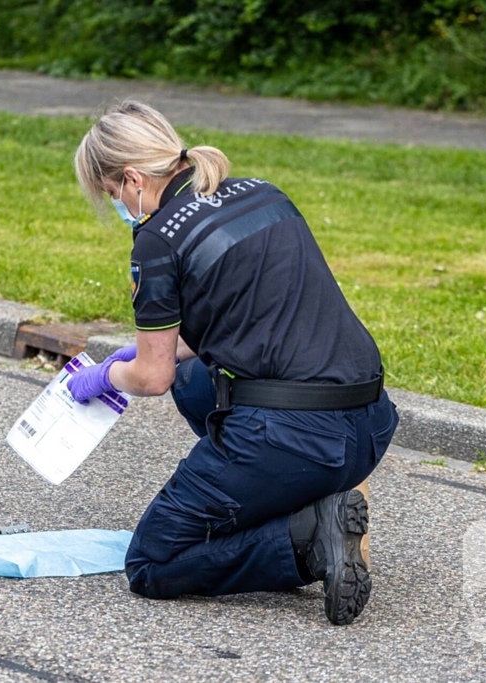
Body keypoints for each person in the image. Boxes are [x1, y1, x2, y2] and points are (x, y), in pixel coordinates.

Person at [67, 101, 398, 625]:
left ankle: (309, 537)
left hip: (292, 436)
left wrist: (103, 376)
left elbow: (151, 377)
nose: (119, 206)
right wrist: (151, 348)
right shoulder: (262, 192)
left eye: (112, 194)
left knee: (152, 562)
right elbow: (246, 316)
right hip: (370, 423)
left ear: (132, 179)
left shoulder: (155, 241)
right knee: (194, 382)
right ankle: (300, 502)